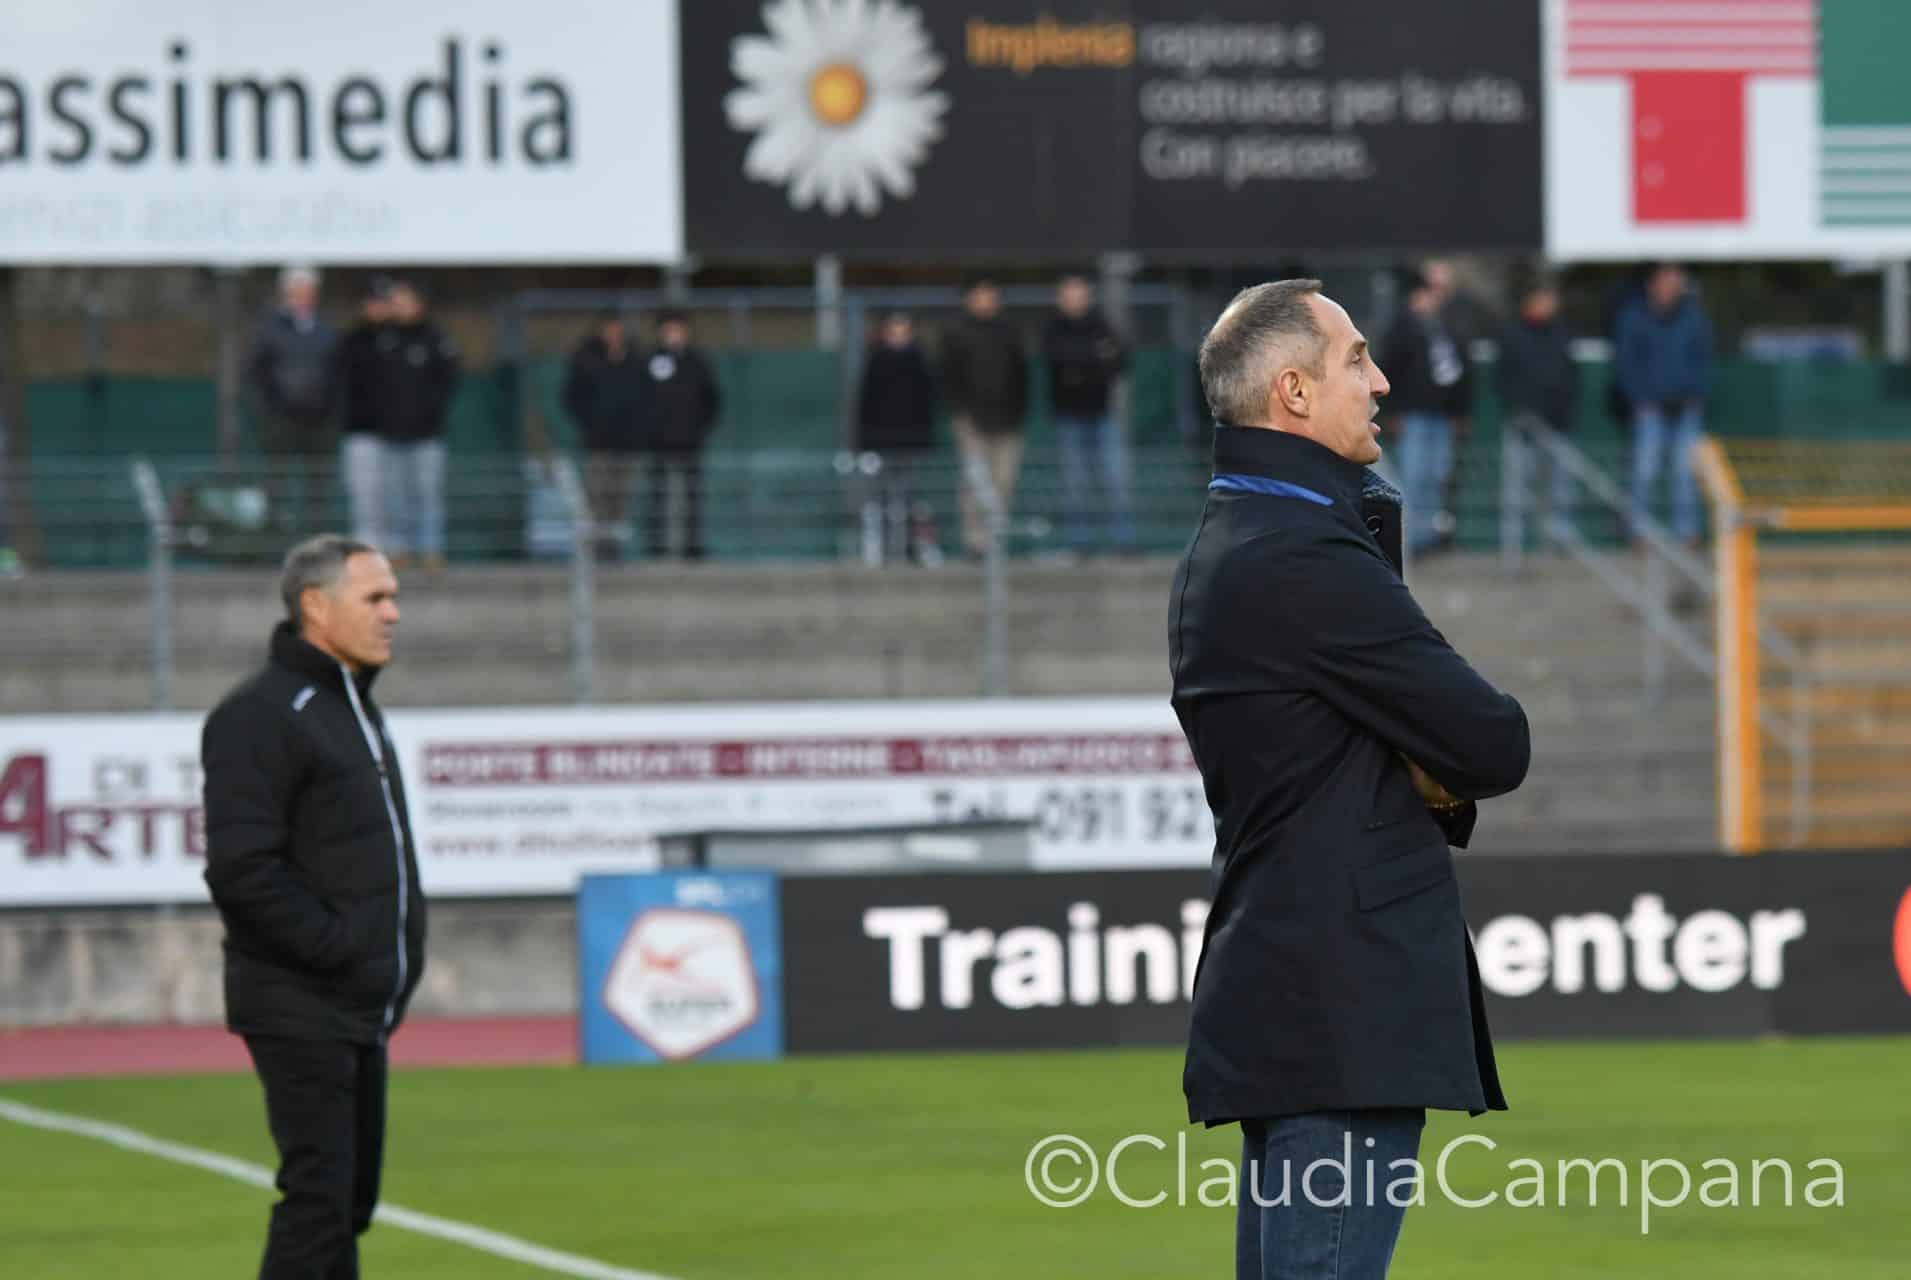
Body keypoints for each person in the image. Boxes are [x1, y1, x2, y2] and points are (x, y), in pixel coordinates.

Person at [1167, 279, 1531, 1280]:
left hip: (1299, 993)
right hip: (1340, 1007)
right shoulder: (1300, 554)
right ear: (1292, 391)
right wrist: (1429, 764)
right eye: (1357, 359)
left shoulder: (1250, 533)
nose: (1380, 382)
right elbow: (1493, 742)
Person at [201, 533, 426, 1280]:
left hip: (357, 1002)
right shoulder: (261, 714)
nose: (393, 613)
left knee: (345, 1205)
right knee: (319, 1201)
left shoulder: (354, 709)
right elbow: (242, 870)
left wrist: (389, 963)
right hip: (300, 998)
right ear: (315, 607)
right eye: (375, 597)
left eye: (394, 597)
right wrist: (339, 949)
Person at [1614, 263, 1713, 548]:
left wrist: (1696, 394)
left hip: (1686, 407)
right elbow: (1625, 362)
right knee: (1644, 471)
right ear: (1652, 285)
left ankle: (1687, 533)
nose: (1671, 289)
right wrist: (1639, 399)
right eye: (1666, 282)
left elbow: (1704, 359)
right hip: (1649, 408)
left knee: (1686, 474)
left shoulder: (1693, 317)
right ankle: (1639, 533)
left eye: (1676, 283)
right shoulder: (1633, 316)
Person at [1379, 267, 1472, 556]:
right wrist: (1393, 411)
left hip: (1441, 414)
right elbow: (1389, 367)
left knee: (1436, 476)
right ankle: (1408, 541)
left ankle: (1425, 538)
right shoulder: (1402, 325)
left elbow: (1460, 369)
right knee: (1412, 477)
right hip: (1413, 415)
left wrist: (1459, 412)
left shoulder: (1447, 324)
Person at [1043, 274, 1135, 554]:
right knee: (1075, 483)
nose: (1076, 300)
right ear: (1060, 298)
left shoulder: (1102, 324)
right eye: (1070, 294)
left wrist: (1084, 364)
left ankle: (1123, 542)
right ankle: (1079, 543)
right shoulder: (1053, 329)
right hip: (1068, 417)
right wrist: (1094, 358)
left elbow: (1121, 360)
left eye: (1080, 294)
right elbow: (1059, 362)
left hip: (1103, 414)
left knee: (1117, 479)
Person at [247, 266, 340, 537]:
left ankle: (319, 541)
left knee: (319, 486)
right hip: (281, 420)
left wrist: (328, 408)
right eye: (296, 291)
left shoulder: (327, 330)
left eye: (308, 291)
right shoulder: (268, 329)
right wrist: (273, 407)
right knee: (276, 483)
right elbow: (255, 373)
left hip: (320, 420)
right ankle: (274, 539)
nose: (302, 297)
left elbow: (337, 373)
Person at [940, 279, 1030, 559]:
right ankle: (975, 543)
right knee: (975, 483)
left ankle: (996, 540)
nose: (985, 301)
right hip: (970, 422)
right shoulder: (955, 333)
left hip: (1008, 421)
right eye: (979, 296)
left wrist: (1017, 412)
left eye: (989, 295)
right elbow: (947, 378)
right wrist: (960, 414)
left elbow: (1021, 375)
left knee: (1003, 482)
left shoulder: (1010, 331)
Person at [375, 280, 460, 571]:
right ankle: (399, 549)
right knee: (395, 496)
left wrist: (430, 412)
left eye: (404, 300)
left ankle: (431, 549)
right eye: (395, 301)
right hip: (391, 433)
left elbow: (448, 379)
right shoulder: (384, 338)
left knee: (428, 494)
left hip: (427, 435)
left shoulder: (435, 338)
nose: (398, 306)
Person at [1496, 275, 1582, 541]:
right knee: (1516, 490)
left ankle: (1560, 545)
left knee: (1561, 489)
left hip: (1558, 424)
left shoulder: (1562, 334)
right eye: (1543, 299)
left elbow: (1570, 377)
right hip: (1523, 426)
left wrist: (1565, 411)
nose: (1549, 304)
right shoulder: (1512, 334)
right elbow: (1501, 379)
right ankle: (1512, 546)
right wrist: (1519, 408)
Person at [855, 310, 941, 564]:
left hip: (913, 442)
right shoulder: (876, 362)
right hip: (881, 441)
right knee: (880, 496)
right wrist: (866, 440)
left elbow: (927, 403)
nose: (898, 337)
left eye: (903, 332)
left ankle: (914, 547)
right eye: (893, 332)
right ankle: (881, 549)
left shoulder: (920, 362)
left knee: (913, 497)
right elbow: (866, 404)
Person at [562, 313, 649, 561]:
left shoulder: (636, 360)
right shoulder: (585, 359)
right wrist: (590, 424)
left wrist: (637, 428)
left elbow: (647, 398)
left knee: (621, 500)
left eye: (617, 329)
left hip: (627, 444)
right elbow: (571, 397)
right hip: (597, 443)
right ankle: (597, 551)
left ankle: (614, 550)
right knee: (596, 498)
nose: (613, 334)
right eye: (609, 329)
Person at [640, 310, 722, 560]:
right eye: (669, 330)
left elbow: (712, 400)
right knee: (658, 496)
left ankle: (692, 546)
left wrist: (698, 427)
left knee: (692, 498)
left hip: (690, 440)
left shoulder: (698, 362)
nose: (674, 335)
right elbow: (640, 398)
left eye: (678, 330)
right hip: (658, 441)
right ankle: (656, 547)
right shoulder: (650, 361)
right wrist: (650, 428)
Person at [335, 279, 393, 548]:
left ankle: (398, 550)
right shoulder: (352, 341)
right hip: (361, 430)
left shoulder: (402, 338)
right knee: (364, 496)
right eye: (374, 302)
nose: (378, 308)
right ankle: (367, 551)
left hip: (400, 433)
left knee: (395, 496)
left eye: (383, 302)